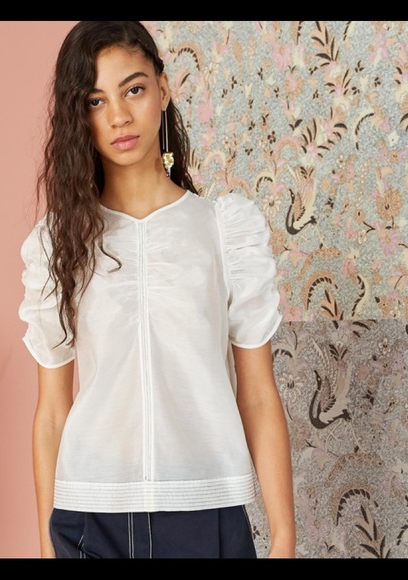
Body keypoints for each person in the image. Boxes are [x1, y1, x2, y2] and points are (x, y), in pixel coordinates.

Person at [18, 20, 296, 559]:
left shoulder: (224, 230)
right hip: (88, 515)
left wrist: (283, 536)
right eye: (95, 101)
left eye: (134, 90)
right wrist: (46, 545)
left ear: (163, 90)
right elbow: (52, 411)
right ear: (80, 116)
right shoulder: (59, 242)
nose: (118, 116)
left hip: (206, 509)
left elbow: (258, 393)